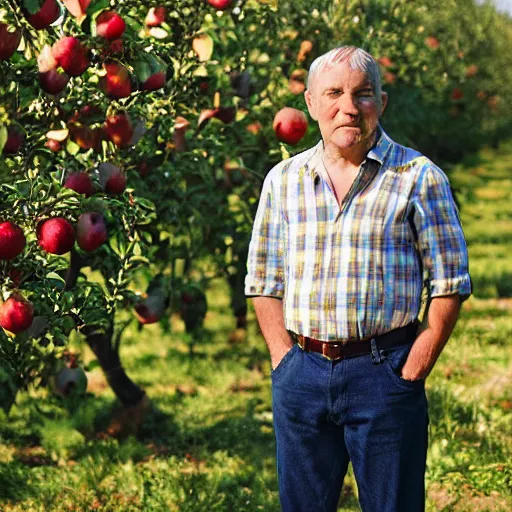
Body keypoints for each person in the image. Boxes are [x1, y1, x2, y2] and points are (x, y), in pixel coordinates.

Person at [244, 45, 472, 512]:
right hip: (302, 372)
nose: (348, 107)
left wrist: (411, 370)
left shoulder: (417, 177)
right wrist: (283, 362)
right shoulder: (283, 181)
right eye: (334, 93)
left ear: (381, 103)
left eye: (362, 94)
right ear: (310, 103)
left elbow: (451, 282)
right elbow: (263, 279)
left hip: (383, 371)